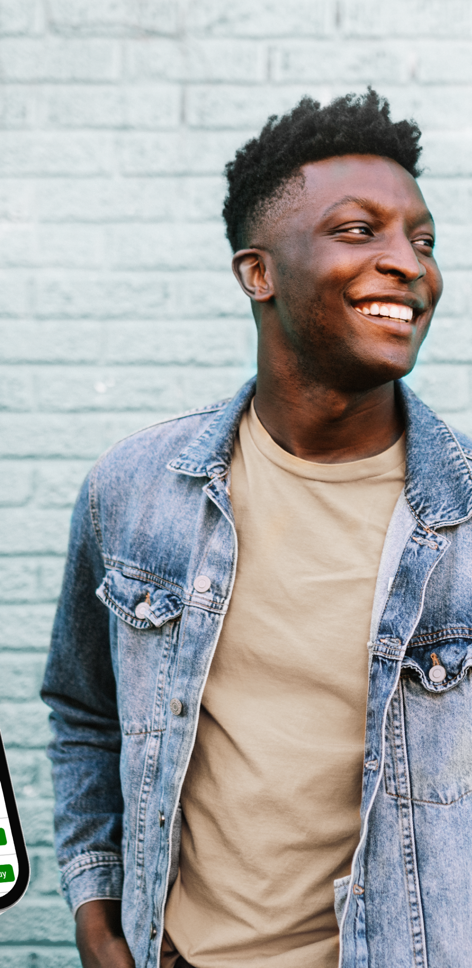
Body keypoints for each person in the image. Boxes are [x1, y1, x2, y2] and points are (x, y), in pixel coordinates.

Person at [41, 88, 472, 968]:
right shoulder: (135, 491)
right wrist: (97, 907)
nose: (409, 264)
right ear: (258, 272)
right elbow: (84, 713)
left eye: (421, 240)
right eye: (361, 231)